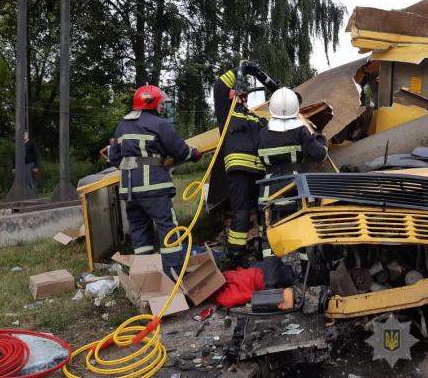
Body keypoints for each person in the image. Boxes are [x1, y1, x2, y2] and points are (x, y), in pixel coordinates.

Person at [109, 85, 201, 278]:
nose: (161, 107)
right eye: (160, 104)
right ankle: (174, 275)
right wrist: (194, 154)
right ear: (153, 103)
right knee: (168, 228)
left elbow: (115, 157)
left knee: (139, 229)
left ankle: (147, 276)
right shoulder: (159, 124)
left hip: (130, 190)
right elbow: (180, 150)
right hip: (155, 188)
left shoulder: (122, 126)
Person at [213, 61, 279, 266]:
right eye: (241, 93)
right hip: (239, 171)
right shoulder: (227, 112)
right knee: (241, 213)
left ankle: (264, 251)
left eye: (245, 94)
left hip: (259, 172)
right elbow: (219, 85)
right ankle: (235, 257)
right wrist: (245, 70)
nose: (244, 96)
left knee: (263, 212)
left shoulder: (256, 118)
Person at [257, 87, 328, 268]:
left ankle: (272, 279)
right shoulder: (300, 131)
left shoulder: (262, 133)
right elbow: (318, 155)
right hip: (294, 191)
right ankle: (306, 276)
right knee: (300, 233)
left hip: (268, 193)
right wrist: (321, 140)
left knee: (270, 237)